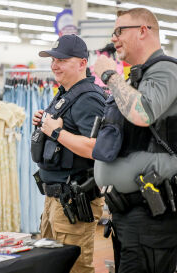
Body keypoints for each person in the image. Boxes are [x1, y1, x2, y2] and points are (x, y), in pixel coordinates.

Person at [94, 8, 177, 273]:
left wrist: (109, 75)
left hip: (151, 218)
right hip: (130, 216)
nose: (114, 38)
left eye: (120, 31)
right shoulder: (138, 77)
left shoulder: (165, 70)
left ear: (143, 30)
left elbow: (144, 113)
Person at [32, 34, 105, 273]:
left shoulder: (89, 98)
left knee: (75, 268)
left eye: (62, 60)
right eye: (53, 59)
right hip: (55, 199)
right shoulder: (65, 94)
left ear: (82, 63)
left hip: (73, 200)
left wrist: (56, 132)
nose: (54, 65)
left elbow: (97, 148)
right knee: (49, 265)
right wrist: (45, 125)